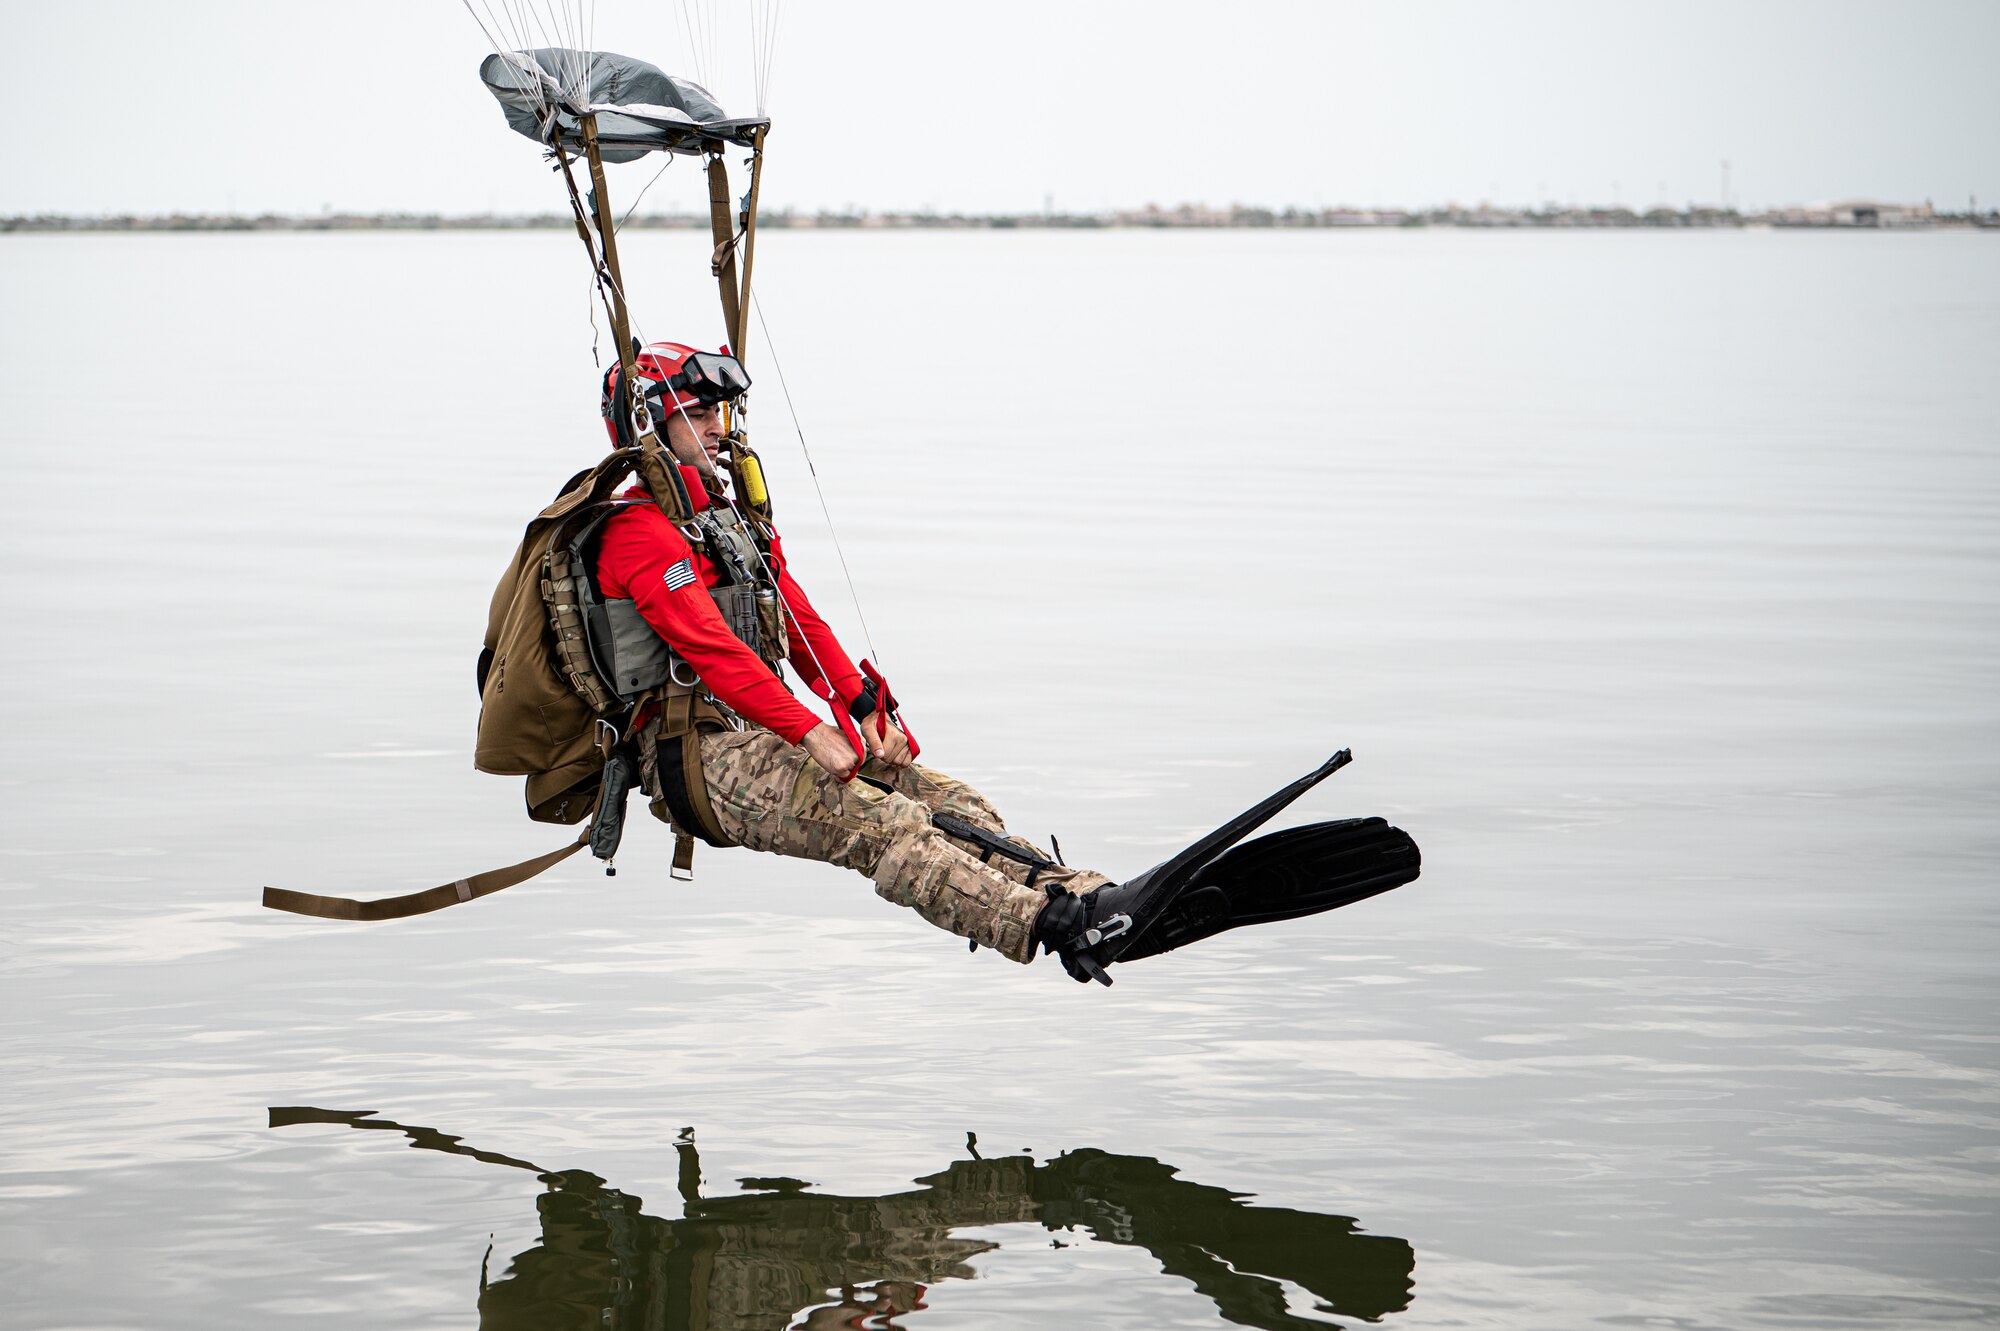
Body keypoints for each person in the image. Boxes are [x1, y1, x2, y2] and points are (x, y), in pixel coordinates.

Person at [593, 341, 1129, 977]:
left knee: (950, 802)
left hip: (755, 733)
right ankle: (1046, 924)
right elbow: (711, 649)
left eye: (722, 412)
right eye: (700, 413)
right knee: (882, 822)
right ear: (650, 424)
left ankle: (1081, 894)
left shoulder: (722, 517)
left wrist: (860, 702)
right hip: (688, 757)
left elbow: (797, 619)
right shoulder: (637, 532)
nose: (719, 428)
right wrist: (810, 730)